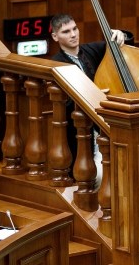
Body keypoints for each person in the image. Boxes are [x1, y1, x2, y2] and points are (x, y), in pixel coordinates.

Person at [50, 13, 126, 187]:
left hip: (105, 124)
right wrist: (91, 93)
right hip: (80, 133)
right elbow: (64, 104)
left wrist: (121, 35)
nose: (73, 34)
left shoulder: (92, 50)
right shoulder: (56, 64)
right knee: (97, 177)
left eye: (75, 29)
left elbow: (121, 46)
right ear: (55, 37)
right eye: (66, 32)